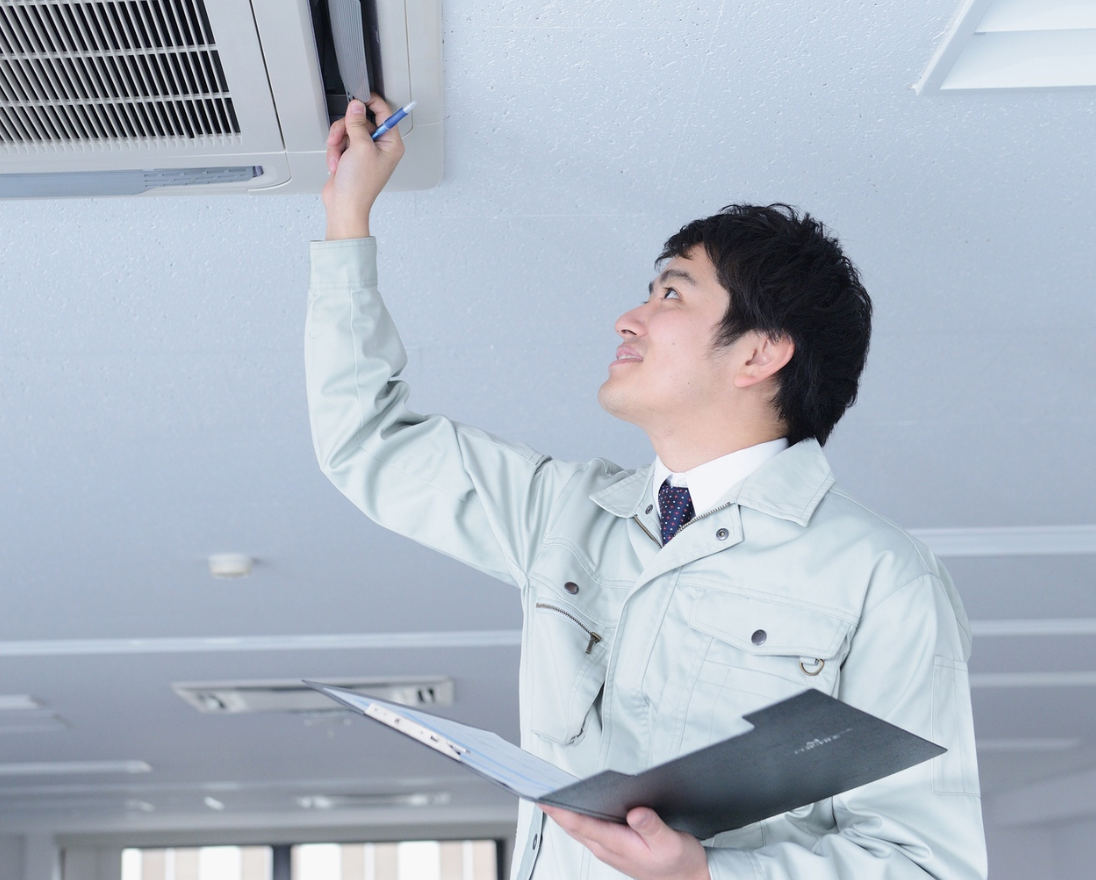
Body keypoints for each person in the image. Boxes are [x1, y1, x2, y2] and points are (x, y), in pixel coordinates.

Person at [305, 96, 986, 880]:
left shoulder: (882, 579)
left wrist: (704, 875)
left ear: (760, 353)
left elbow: (926, 867)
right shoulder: (562, 514)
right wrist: (346, 214)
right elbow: (367, 443)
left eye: (671, 294)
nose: (629, 317)